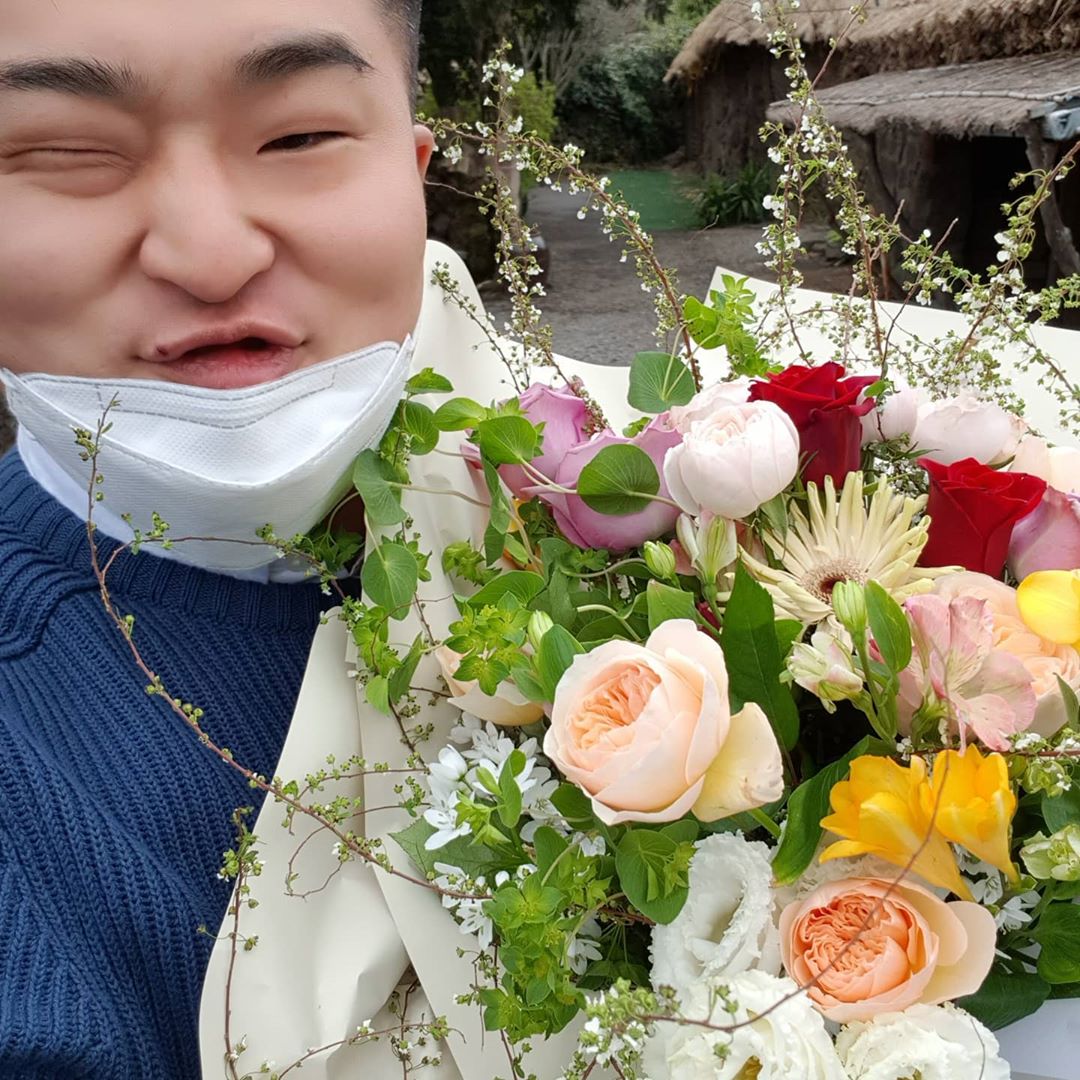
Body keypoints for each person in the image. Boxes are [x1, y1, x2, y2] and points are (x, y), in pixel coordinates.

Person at [0, 1, 435, 1076]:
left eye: (300, 136)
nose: (210, 255)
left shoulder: (678, 528)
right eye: (66, 153)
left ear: (416, 169)